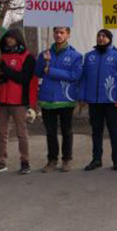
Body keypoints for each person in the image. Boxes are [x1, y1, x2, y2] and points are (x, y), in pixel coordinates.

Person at [0, 29, 37, 175]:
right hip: (2, 99)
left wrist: (7, 71)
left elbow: (24, 78)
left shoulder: (27, 57)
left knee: (21, 133)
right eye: (7, 38)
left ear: (18, 39)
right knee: (2, 133)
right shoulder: (0, 56)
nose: (9, 40)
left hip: (19, 101)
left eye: (12, 38)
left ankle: (25, 161)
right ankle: (0, 162)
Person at [79, 29, 117, 171]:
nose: (101, 38)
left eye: (104, 36)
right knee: (96, 131)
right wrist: (82, 97)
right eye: (99, 36)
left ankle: (116, 160)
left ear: (110, 39)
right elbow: (84, 78)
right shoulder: (89, 56)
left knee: (114, 131)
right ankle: (96, 159)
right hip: (94, 101)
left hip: (111, 101)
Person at [35, 26, 83, 173]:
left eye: (62, 32)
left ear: (68, 34)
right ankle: (52, 160)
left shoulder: (76, 56)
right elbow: (38, 73)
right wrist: (44, 62)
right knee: (50, 131)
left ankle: (67, 159)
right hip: (47, 98)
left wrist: (51, 70)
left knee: (66, 130)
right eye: (56, 32)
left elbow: (74, 76)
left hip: (65, 98)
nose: (58, 35)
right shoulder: (44, 53)